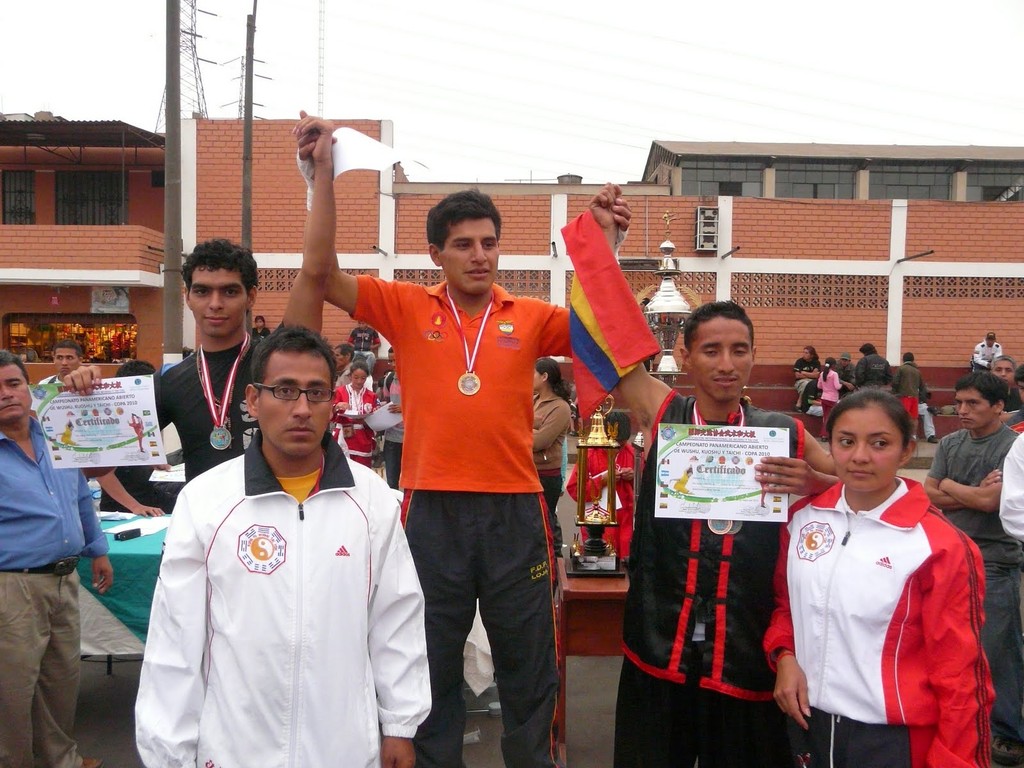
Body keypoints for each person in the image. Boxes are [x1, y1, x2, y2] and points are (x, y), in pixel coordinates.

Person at [287, 112, 631, 767]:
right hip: (430, 510)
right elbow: (320, 272)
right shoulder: (405, 306)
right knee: (429, 667)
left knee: (528, 669)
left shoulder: (529, 317)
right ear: (436, 254)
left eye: (489, 243)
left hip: (513, 509)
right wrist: (320, 179)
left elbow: (598, 326)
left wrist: (603, 244)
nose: (480, 254)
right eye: (465, 243)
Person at [135, 326, 430, 768]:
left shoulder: (372, 501)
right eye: (285, 391)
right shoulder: (207, 500)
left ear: (334, 402)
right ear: (253, 401)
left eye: (316, 393)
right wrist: (169, 754)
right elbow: (175, 640)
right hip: (236, 748)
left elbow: (396, 620)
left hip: (344, 746)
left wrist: (400, 726)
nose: (302, 409)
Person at [610, 300, 837, 768]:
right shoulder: (664, 412)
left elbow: (865, 487)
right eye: (712, 350)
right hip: (660, 637)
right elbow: (611, 344)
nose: (727, 364)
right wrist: (607, 245)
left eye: (740, 350)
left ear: (754, 355)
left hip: (745, 646)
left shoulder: (783, 431)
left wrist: (818, 485)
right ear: (685, 355)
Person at [766, 389, 992, 768]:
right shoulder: (803, 519)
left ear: (907, 450)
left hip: (892, 741)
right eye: (846, 441)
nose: (859, 457)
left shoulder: (939, 545)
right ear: (830, 444)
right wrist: (785, 655)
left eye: (880, 443)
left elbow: (961, 675)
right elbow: (786, 605)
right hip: (808, 725)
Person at [0, 349, 112, 768]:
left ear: (29, 388)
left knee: (61, 681)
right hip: (13, 587)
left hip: (65, 580)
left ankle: (60, 759)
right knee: (11, 691)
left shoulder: (57, 434)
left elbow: (81, 497)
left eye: (13, 383)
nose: (7, 394)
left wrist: (97, 550)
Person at [925, 371, 1023, 767]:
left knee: (998, 649)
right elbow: (927, 494)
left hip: (995, 560)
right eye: (959, 402)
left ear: (999, 406)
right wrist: (966, 491)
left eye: (972, 404)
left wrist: (948, 485)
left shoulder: (1013, 448)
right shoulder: (950, 441)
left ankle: (1009, 732)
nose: (961, 411)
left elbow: (991, 504)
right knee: (949, 646)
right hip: (950, 553)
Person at [97, 360, 180, 517]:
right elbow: (103, 474)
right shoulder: (113, 421)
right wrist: (136, 507)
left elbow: (129, 451)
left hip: (144, 491)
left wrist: (150, 460)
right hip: (125, 507)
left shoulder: (137, 413)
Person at [565, 409, 636, 562]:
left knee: (625, 563)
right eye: (613, 444)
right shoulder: (589, 454)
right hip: (598, 523)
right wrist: (602, 480)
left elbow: (644, 489)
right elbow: (574, 490)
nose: (617, 448)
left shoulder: (632, 453)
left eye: (621, 445)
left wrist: (633, 478)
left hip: (625, 520)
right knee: (601, 563)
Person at [533, 357, 572, 555]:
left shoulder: (560, 407)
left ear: (544, 376)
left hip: (546, 474)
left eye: (534, 374)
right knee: (534, 522)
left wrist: (517, 432)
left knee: (546, 520)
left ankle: (554, 561)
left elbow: (541, 441)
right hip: (529, 470)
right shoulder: (534, 401)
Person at [331, 358, 377, 467]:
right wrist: (337, 406)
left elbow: (375, 417)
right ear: (350, 376)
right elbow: (329, 412)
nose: (359, 381)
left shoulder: (372, 395)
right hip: (343, 434)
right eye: (356, 377)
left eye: (363, 378)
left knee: (363, 468)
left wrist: (371, 416)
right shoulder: (340, 391)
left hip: (363, 437)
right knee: (342, 467)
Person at [378, 367, 404, 490]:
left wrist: (405, 408)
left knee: (411, 481)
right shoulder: (389, 379)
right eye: (390, 361)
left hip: (412, 438)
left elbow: (427, 405)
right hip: (392, 436)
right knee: (392, 481)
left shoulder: (418, 378)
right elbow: (387, 402)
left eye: (395, 360)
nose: (393, 364)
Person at [892, 351, 927, 429]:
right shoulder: (917, 371)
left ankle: (904, 434)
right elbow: (922, 386)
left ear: (903, 360)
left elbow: (895, 382)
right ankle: (913, 435)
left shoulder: (901, 369)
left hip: (904, 396)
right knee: (914, 418)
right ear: (913, 360)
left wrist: (894, 393)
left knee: (903, 417)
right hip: (915, 397)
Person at [816, 357, 841, 440]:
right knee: (829, 417)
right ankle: (825, 434)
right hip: (832, 399)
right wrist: (842, 385)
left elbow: (819, 386)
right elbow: (837, 386)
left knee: (825, 416)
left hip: (824, 397)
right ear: (833, 365)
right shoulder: (834, 374)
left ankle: (825, 434)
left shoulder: (822, 373)